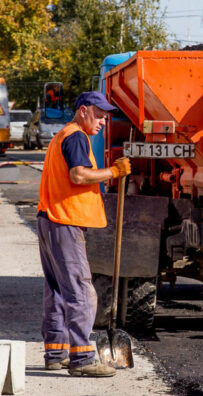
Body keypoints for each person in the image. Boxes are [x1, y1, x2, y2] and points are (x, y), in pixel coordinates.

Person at [37, 91, 131, 377]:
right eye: (100, 115)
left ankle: (56, 352)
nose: (103, 121)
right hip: (64, 220)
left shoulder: (62, 135)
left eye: (105, 116)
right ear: (84, 111)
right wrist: (114, 172)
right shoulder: (76, 136)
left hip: (50, 219)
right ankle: (81, 358)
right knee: (81, 290)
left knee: (56, 289)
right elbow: (79, 175)